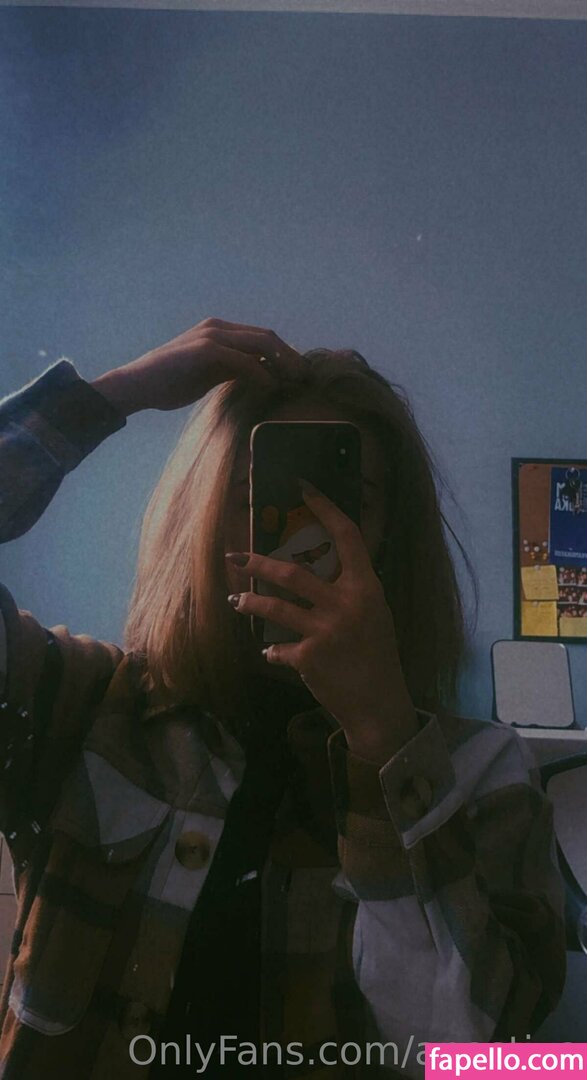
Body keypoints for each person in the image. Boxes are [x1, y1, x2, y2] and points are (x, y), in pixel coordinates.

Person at [0, 318, 566, 1079]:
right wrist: (113, 394)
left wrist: (385, 740)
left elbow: (488, 1059)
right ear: (202, 515)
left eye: (343, 499)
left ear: (390, 537)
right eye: (256, 493)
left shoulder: (483, 772)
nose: (301, 533)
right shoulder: (78, 701)